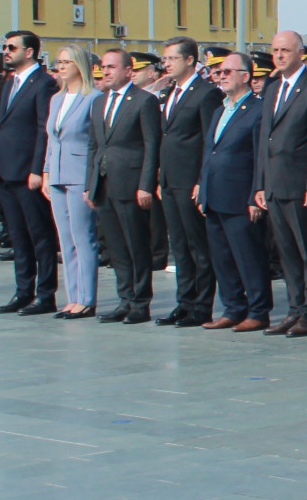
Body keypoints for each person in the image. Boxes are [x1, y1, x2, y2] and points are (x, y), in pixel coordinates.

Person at [256, 29, 307, 336]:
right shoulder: (273, 88)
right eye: (275, 50)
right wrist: (261, 183)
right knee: (286, 252)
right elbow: (265, 139)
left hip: (300, 185)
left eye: (285, 50)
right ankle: (294, 309)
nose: (279, 56)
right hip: (275, 184)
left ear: (300, 53)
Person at [193, 51, 271, 331]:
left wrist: (254, 195)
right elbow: (210, 151)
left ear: (246, 77)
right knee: (223, 257)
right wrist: (202, 186)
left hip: (240, 196)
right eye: (218, 72)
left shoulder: (258, 109)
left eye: (227, 72)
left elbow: (259, 156)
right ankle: (233, 308)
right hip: (215, 194)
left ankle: (258, 310)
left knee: (248, 256)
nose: (220, 76)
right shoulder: (220, 109)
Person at [84, 47, 162, 323]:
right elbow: (94, 145)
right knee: (116, 246)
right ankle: (124, 299)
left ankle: (140, 303)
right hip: (104, 184)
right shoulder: (98, 102)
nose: (105, 71)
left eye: (111, 67)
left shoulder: (143, 101)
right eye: (103, 67)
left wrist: (145, 184)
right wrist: (89, 184)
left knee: (136, 244)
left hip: (130, 183)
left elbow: (152, 145)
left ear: (128, 71)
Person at [0, 31, 58, 314]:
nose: (6, 51)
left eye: (11, 47)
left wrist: (38, 169)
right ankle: (22, 291)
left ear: (29, 52)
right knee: (18, 236)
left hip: (27, 171)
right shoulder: (10, 82)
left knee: (39, 235)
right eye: (5, 46)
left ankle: (45, 294)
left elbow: (44, 129)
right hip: (6, 171)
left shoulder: (43, 83)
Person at [151, 39, 220, 324]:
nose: (166, 64)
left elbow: (208, 140)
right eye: (165, 59)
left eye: (172, 58)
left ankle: (201, 305)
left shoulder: (205, 94)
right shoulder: (169, 93)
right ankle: (184, 301)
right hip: (169, 178)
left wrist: (202, 179)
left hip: (190, 179)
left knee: (198, 245)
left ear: (190, 60)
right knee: (178, 244)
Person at [43, 47, 101, 319]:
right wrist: (45, 172)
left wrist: (92, 180)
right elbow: (51, 140)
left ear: (80, 65)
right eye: (59, 62)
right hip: (56, 172)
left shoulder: (93, 98)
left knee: (82, 236)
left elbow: (95, 142)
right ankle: (73, 296)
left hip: (79, 173)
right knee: (65, 239)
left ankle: (87, 299)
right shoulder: (56, 99)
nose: (61, 67)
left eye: (67, 62)